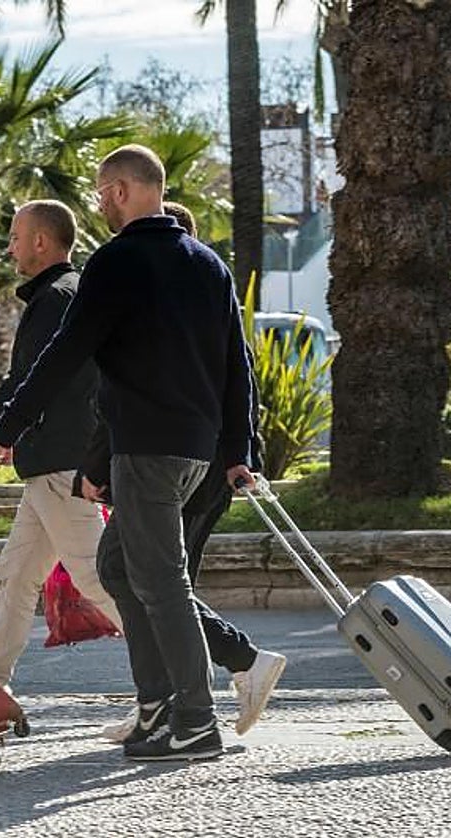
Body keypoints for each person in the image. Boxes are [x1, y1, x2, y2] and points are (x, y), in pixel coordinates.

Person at [0, 145, 256, 762]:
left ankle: (196, 720)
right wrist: (237, 449)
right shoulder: (208, 264)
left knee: (162, 580)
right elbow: (236, 365)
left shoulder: (115, 261)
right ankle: (156, 705)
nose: (100, 204)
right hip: (193, 451)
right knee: (114, 566)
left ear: (124, 191)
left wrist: (9, 426)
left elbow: (65, 353)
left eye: (103, 193)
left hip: (147, 447)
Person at [81, 201, 286, 743]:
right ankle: (162, 701)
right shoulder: (201, 286)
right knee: (128, 569)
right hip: (200, 461)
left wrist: (241, 454)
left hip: (183, 463)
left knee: (160, 581)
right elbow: (238, 376)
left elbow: (128, 393)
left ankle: (201, 701)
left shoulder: (171, 294)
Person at [0, 200, 117, 689]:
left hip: (61, 464)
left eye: (15, 238)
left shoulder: (54, 299)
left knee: (99, 580)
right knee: (15, 575)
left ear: (40, 241)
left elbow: (30, 384)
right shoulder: (72, 292)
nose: (9, 248)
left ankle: (187, 676)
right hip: (52, 462)